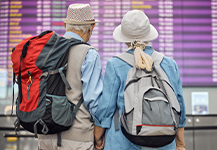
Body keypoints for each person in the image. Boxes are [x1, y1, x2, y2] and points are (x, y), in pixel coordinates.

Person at [94, 10, 186, 150]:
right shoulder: (169, 64)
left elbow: (106, 108)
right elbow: (179, 105)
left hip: (123, 142)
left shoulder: (115, 64)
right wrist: (180, 142)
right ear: (149, 35)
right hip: (164, 141)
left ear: (124, 38)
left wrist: (98, 137)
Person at [38, 4, 104, 150]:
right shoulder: (89, 54)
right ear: (91, 27)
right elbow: (94, 102)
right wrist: (99, 134)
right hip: (78, 139)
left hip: (45, 135)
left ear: (65, 25)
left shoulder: (46, 51)